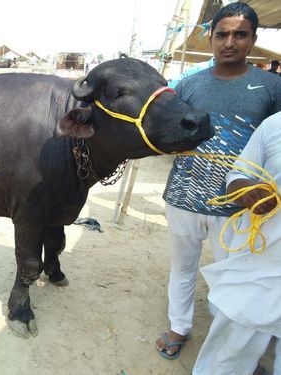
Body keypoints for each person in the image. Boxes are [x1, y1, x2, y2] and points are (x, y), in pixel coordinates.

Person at [156, 2, 281, 359]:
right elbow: (169, 134)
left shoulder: (271, 86)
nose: (230, 42)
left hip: (239, 206)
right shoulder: (189, 85)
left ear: (253, 39)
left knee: (238, 277)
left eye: (240, 34)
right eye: (222, 34)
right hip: (183, 194)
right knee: (182, 266)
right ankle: (179, 326)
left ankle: (232, 346)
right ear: (211, 38)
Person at [193, 111, 281, 374]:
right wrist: (248, 191)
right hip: (262, 260)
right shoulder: (274, 125)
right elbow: (236, 178)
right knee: (230, 349)